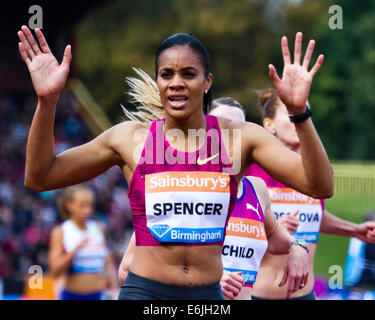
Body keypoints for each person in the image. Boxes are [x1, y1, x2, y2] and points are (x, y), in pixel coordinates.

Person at [18, 25, 333, 300]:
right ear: (158, 81)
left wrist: (299, 113)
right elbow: (40, 176)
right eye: (166, 74)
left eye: (189, 74)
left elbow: (320, 185)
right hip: (146, 294)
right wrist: (47, 102)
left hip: (208, 296)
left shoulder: (240, 139)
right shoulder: (130, 140)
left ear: (207, 82)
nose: (176, 82)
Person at [118, 97, 310, 300]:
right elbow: (126, 270)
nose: (228, 137)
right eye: (221, 126)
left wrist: (297, 246)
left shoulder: (256, 188)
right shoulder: (179, 192)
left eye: (235, 130)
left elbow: (274, 237)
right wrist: (202, 281)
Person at [243, 89, 375, 300]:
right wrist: (272, 230)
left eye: (303, 112)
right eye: (290, 113)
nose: (297, 119)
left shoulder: (317, 172)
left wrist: (354, 230)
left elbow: (313, 218)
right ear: (269, 125)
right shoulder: (252, 169)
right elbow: (232, 228)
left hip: (305, 295)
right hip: (258, 294)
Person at [49, 185, 119, 300]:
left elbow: (108, 261)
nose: (88, 210)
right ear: (69, 206)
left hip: (97, 294)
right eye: (82, 206)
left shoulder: (99, 228)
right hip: (71, 295)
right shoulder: (61, 231)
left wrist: (115, 287)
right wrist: (75, 251)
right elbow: (54, 270)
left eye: (90, 205)